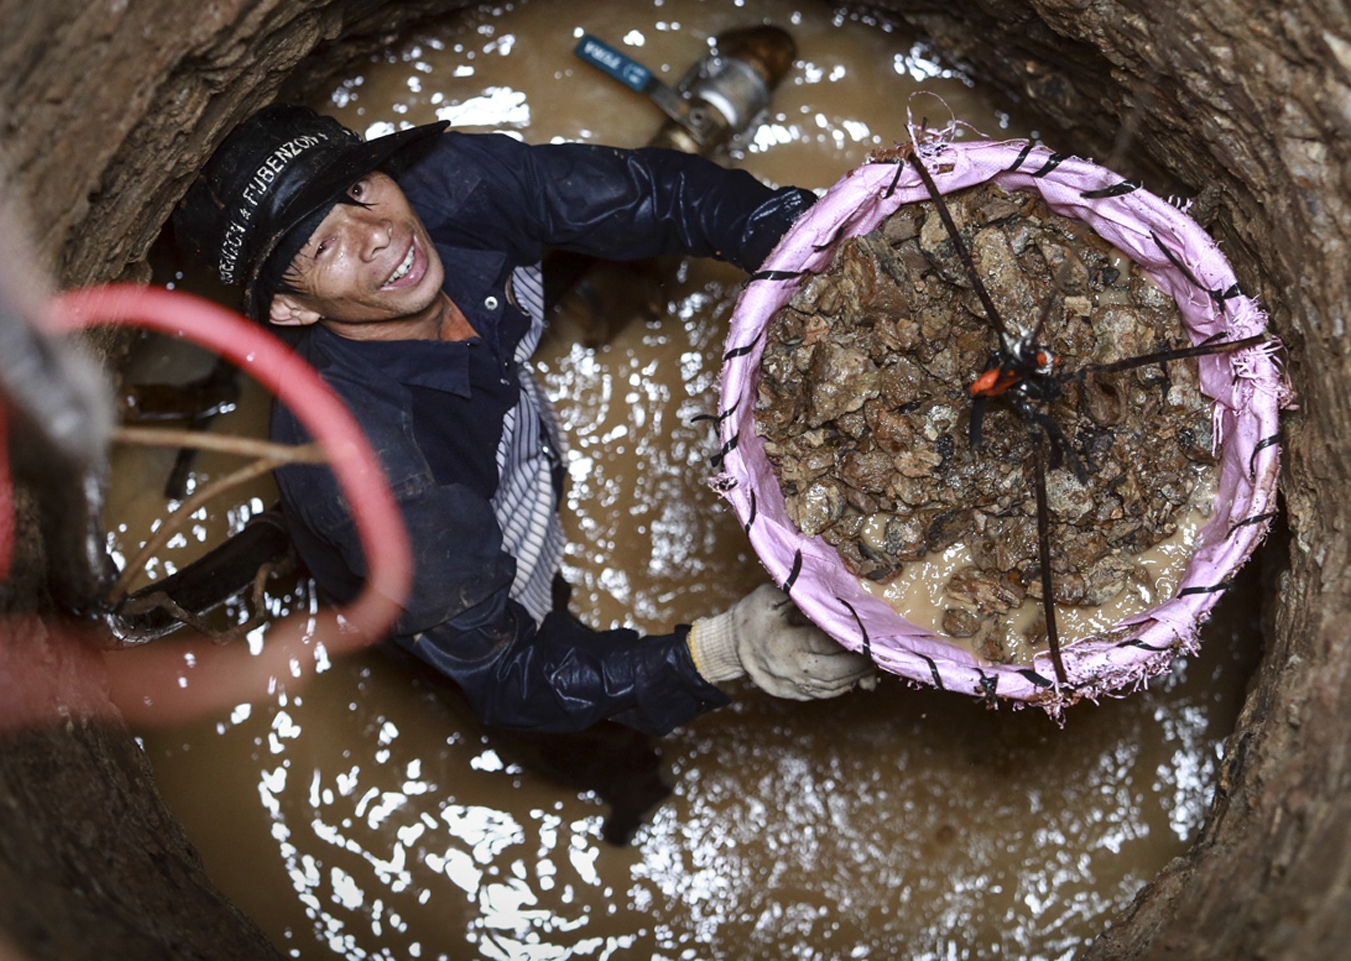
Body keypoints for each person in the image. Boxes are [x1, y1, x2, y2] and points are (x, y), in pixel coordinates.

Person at [172, 105, 872, 735]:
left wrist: (819, 254)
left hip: (508, 438)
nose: (378, 235)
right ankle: (619, 782)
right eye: (323, 247)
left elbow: (657, 194)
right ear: (291, 308)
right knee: (587, 733)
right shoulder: (389, 477)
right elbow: (510, 676)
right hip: (439, 563)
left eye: (357, 189)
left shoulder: (449, 183)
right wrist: (726, 651)